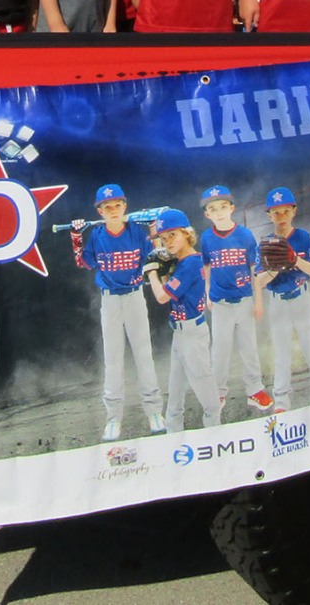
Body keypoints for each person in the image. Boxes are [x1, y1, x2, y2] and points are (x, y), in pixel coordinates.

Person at [68, 183, 166, 441]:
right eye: (107, 207)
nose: (113, 210)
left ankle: (154, 412)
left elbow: (156, 256)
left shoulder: (136, 231)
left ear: (125, 206)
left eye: (117, 205)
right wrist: (76, 236)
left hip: (134, 296)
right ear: (100, 211)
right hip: (110, 301)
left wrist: (154, 227)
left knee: (143, 355)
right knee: (113, 360)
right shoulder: (98, 236)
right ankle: (113, 418)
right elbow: (84, 262)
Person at [254, 187, 310, 412]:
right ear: (269, 215)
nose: (281, 217)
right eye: (275, 213)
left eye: (285, 211)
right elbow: (259, 281)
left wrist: (294, 260)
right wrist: (276, 266)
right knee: (282, 352)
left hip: (301, 297)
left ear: (293, 211)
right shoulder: (266, 243)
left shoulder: (302, 237)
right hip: (278, 301)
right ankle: (281, 401)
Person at [144, 208, 222, 432]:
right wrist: (164, 267)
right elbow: (169, 285)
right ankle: (173, 438)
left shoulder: (191, 263)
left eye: (173, 235)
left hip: (192, 332)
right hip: (180, 332)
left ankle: (214, 434)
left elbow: (161, 296)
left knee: (204, 387)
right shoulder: (183, 261)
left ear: (187, 233)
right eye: (164, 237)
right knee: (175, 393)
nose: (168, 241)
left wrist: (151, 272)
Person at [198, 184, 274, 414]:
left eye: (223, 206)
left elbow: (254, 270)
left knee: (248, 348)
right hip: (221, 303)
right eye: (213, 209)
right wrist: (207, 293)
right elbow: (207, 267)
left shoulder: (244, 235)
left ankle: (254, 390)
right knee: (220, 350)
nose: (219, 212)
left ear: (231, 207)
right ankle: (218, 392)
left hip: (243, 300)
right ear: (207, 214)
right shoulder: (206, 238)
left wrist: (258, 300)